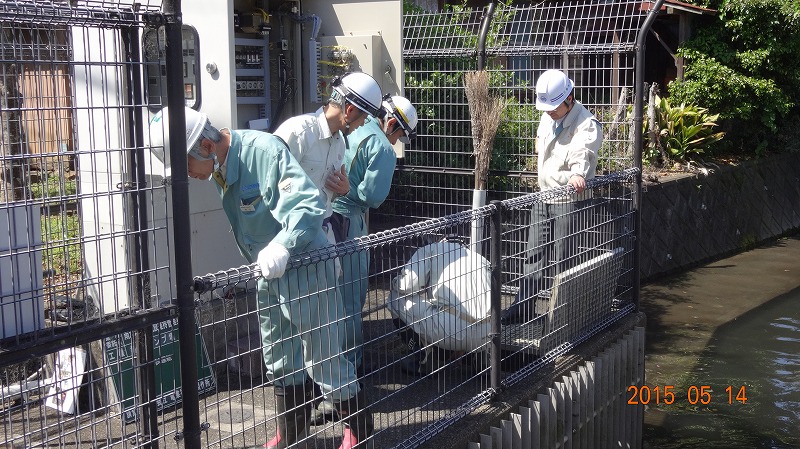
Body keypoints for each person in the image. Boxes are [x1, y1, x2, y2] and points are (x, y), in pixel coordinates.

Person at [148, 106, 373, 449]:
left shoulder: (262, 151)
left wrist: (282, 246)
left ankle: (360, 434)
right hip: (268, 270)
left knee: (324, 356)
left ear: (205, 147)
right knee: (280, 355)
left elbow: (306, 205)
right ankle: (292, 433)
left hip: (304, 263)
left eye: (184, 165)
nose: (187, 175)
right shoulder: (222, 169)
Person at [501, 69, 602, 325]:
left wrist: (578, 175)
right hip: (543, 195)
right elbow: (540, 139)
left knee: (564, 258)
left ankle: (563, 313)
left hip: (569, 199)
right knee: (533, 254)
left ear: (570, 97)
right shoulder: (548, 116)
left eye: (554, 107)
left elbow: (584, 153)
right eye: (547, 108)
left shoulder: (586, 123)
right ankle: (523, 307)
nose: (549, 112)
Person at [331, 94, 418, 371]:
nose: (395, 142)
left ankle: (320, 369)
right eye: (399, 135)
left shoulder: (355, 123)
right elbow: (373, 197)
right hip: (348, 222)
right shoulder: (381, 147)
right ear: (391, 123)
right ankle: (349, 369)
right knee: (350, 299)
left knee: (320, 296)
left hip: (321, 215)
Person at [273, 72, 384, 251]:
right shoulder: (298, 132)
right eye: (364, 118)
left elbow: (326, 196)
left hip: (323, 234)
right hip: (287, 237)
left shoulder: (339, 143)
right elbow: (268, 183)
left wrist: (343, 190)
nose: (363, 124)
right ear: (350, 110)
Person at [388, 238, 492, 376]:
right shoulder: (480, 258)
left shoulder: (431, 249)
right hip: (489, 333)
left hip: (452, 331)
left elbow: (407, 285)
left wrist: (395, 282)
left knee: (395, 298)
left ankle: (424, 356)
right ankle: (483, 360)